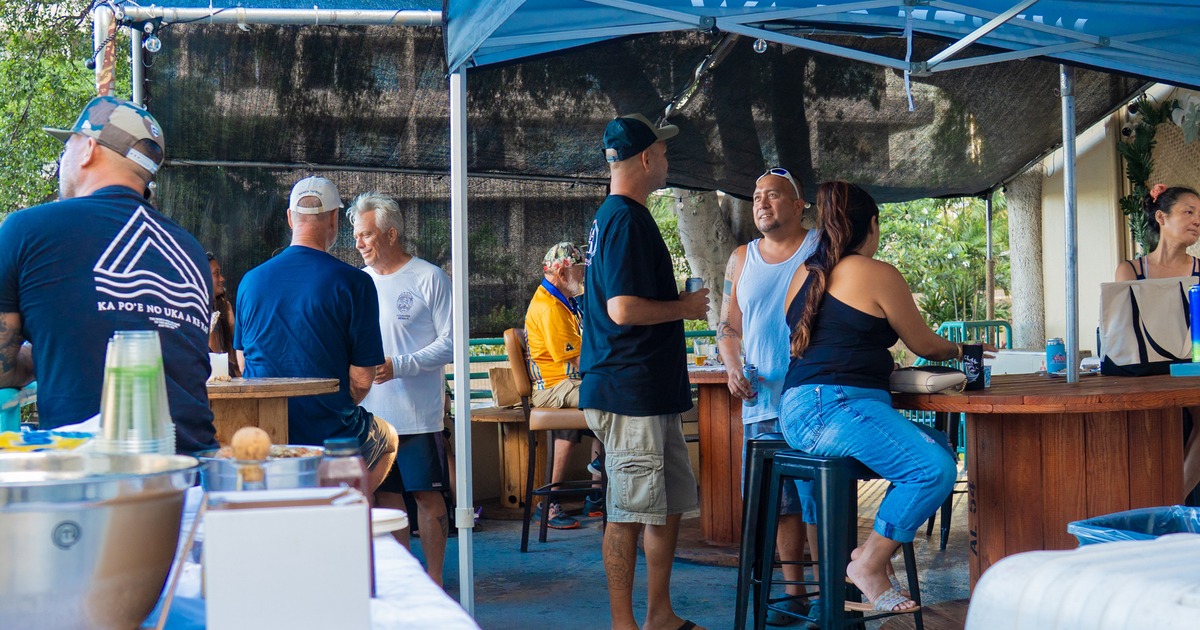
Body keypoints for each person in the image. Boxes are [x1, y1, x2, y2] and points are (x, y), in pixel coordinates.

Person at [779, 181, 993, 613]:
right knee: (933, 468)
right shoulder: (875, 272)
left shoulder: (806, 272)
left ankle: (875, 557)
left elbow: (826, 342)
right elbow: (924, 344)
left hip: (805, 405)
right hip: (833, 405)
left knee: (937, 446)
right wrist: (962, 351)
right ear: (871, 225)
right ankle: (870, 564)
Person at [0, 96, 217, 454]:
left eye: (64, 150)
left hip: (94, 479)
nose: (62, 162)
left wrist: (43, 353)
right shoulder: (189, 249)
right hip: (193, 471)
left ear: (87, 149)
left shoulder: (28, 230)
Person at [580, 113, 710, 630]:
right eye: (664, 151)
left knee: (664, 503)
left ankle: (660, 614)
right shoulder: (625, 219)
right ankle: (624, 623)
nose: (668, 160)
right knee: (630, 509)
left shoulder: (619, 217)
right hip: (628, 389)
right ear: (647, 158)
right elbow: (623, 309)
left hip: (647, 389)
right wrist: (683, 305)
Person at [235, 177, 398, 490]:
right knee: (388, 437)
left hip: (263, 432)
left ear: (289, 218)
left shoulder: (249, 281)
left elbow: (244, 362)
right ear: (335, 219)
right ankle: (349, 506)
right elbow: (363, 380)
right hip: (330, 431)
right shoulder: (355, 283)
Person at [716, 167, 821, 625]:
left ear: (798, 205)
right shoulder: (741, 258)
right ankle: (795, 593)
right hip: (761, 400)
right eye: (757, 196)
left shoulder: (822, 247)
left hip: (814, 397)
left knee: (818, 496)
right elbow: (727, 326)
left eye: (773, 195)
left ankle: (829, 590)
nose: (761, 202)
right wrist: (732, 365)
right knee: (781, 504)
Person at [348, 191, 454, 587]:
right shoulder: (357, 282)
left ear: (391, 234)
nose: (358, 243)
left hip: (417, 414)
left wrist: (400, 366)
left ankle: (436, 581)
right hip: (370, 416)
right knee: (388, 499)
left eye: (366, 235)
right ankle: (405, 580)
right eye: (356, 235)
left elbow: (451, 342)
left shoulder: (428, 277)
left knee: (426, 497)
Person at [1114, 183, 1200, 498]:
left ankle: (1170, 502)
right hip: (1141, 371)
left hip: (1191, 369)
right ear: (1161, 217)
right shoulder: (1130, 271)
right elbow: (1121, 332)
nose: (1197, 221)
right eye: (1188, 212)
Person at [524, 242, 604, 530]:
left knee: (609, 393)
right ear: (561, 271)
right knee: (610, 396)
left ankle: (596, 490)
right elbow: (580, 359)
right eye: (578, 269)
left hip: (566, 383)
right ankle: (553, 502)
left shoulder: (562, 300)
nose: (583, 274)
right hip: (553, 387)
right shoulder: (550, 307)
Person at [206, 252, 241, 378]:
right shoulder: (195, 311)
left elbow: (236, 347)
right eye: (216, 273)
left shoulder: (225, 308)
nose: (222, 278)